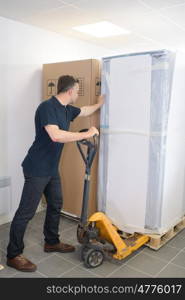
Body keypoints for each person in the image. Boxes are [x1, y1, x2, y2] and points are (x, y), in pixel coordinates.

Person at [6, 75, 104, 272]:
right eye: (77, 91)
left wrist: (100, 103)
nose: (77, 94)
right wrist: (86, 134)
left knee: (56, 203)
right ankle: (13, 254)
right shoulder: (47, 107)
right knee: (26, 212)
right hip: (37, 167)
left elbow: (84, 111)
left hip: (51, 168)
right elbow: (56, 135)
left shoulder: (67, 109)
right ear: (69, 91)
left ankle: (51, 242)